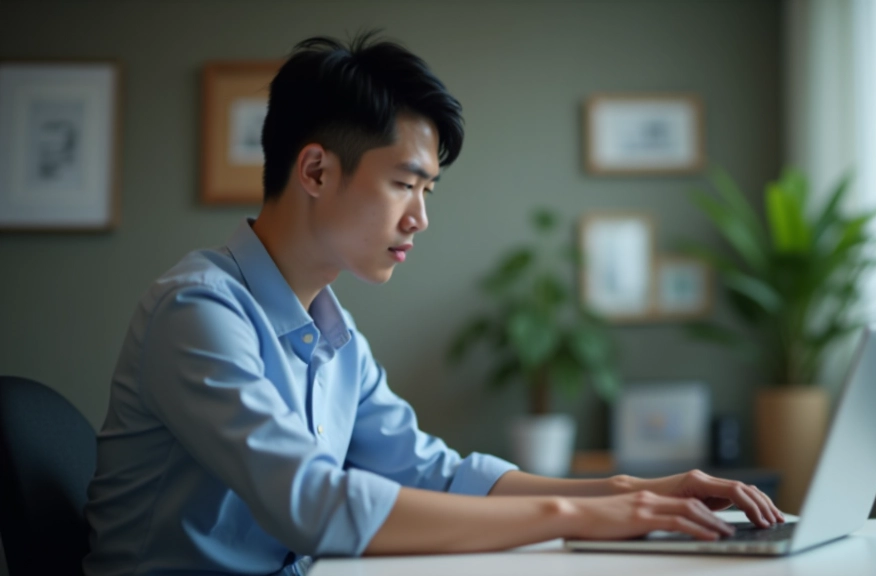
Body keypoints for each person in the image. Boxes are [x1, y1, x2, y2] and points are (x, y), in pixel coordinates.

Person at [82, 33, 784, 576]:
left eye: (428, 191)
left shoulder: (335, 337)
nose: (420, 218)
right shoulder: (196, 312)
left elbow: (436, 474)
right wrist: (575, 516)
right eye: (404, 184)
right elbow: (315, 506)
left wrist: (633, 491)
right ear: (316, 170)